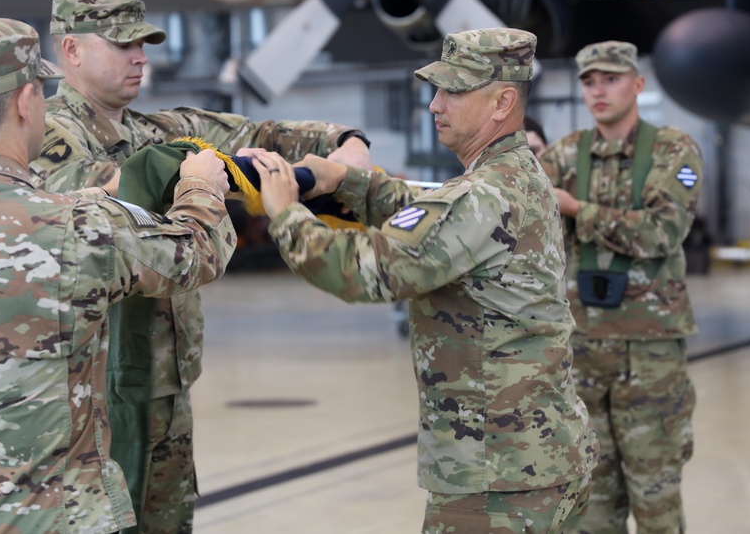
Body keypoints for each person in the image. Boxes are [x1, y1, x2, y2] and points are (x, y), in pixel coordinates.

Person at [0, 18, 236, 533]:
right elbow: (198, 253)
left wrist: (87, 200)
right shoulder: (79, 233)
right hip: (52, 519)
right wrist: (202, 185)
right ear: (26, 102)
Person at [30, 0, 374, 534]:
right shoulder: (46, 136)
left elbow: (260, 133)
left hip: (167, 385)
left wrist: (346, 143)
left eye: (143, 44)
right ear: (71, 50)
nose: (140, 56)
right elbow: (86, 206)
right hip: (96, 396)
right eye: (122, 45)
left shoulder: (157, 130)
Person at [253, 28, 598, 534]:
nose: (435, 105)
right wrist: (347, 181)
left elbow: (366, 270)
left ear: (503, 101)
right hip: (542, 458)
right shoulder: (517, 174)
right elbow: (434, 211)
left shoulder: (483, 194)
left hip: (496, 477)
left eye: (453, 91)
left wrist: (283, 212)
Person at [538, 41, 702, 534]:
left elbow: (661, 231)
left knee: (655, 495)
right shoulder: (565, 153)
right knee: (592, 498)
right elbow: (527, 220)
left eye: (610, 79)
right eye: (588, 81)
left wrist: (576, 210)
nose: (598, 91)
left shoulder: (674, 150)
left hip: (650, 353)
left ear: (637, 83)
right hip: (582, 349)